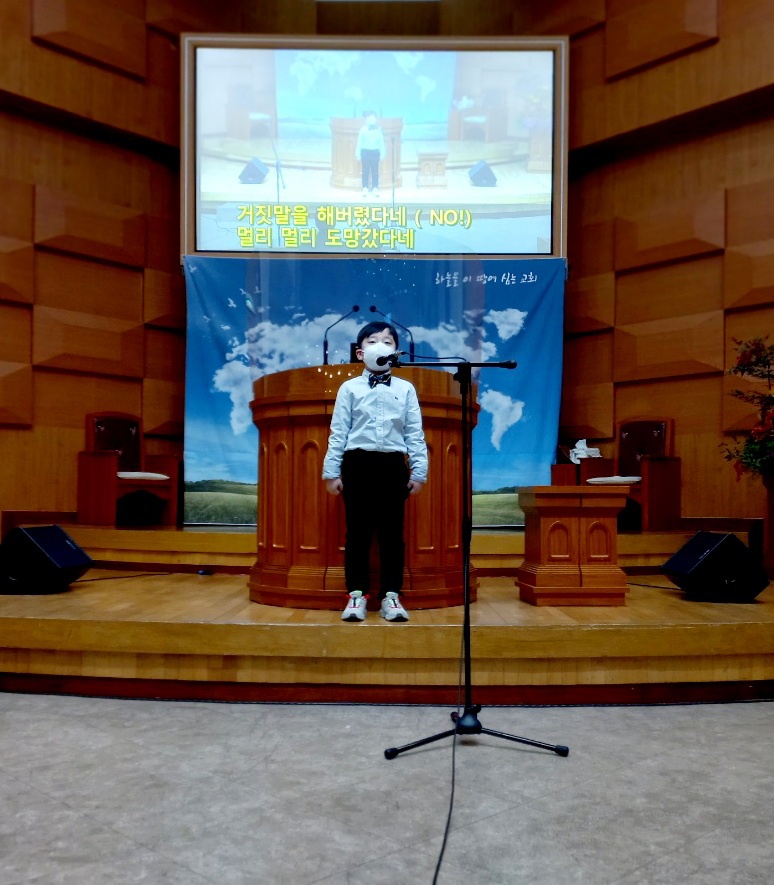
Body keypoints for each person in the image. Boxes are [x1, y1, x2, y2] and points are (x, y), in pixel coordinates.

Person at [322, 321, 428, 622]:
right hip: (357, 464)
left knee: (392, 535)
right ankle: (356, 594)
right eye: (372, 341)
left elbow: (414, 432)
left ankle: (391, 596)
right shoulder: (349, 388)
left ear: (396, 352)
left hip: (392, 466)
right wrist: (332, 472)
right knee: (358, 533)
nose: (380, 346)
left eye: (387, 341)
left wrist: (419, 471)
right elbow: (338, 432)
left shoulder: (406, 389)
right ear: (360, 352)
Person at [355, 111, 385, 198]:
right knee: (365, 171)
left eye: (373, 118)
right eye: (369, 118)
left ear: (375, 119)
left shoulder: (378, 129)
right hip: (365, 152)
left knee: (375, 171)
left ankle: (375, 188)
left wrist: (383, 153)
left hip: (375, 152)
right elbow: (359, 142)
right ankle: (365, 188)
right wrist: (358, 154)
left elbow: (381, 142)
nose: (371, 119)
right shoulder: (363, 129)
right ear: (366, 119)